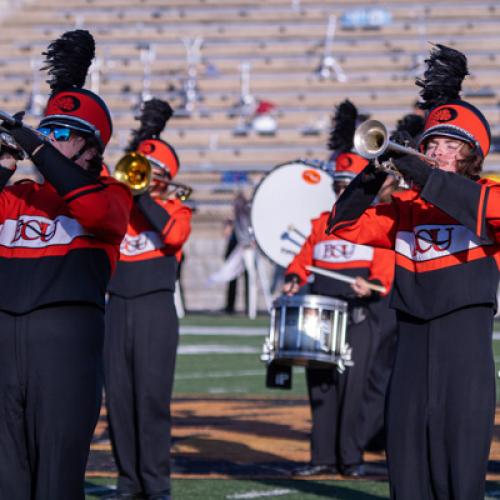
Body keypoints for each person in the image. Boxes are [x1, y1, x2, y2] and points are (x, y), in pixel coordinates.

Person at [327, 44, 499, 499]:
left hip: (464, 348)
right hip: (411, 344)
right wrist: (371, 174)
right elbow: (342, 226)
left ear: (473, 154)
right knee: (406, 463)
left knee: (459, 472)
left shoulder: (489, 196)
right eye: (432, 145)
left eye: (451, 145)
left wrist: (425, 177)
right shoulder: (405, 208)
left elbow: (477, 208)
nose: (439, 152)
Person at [0, 30, 131, 499]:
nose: (50, 141)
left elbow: (93, 212)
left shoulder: (112, 195)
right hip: (3, 339)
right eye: (47, 131)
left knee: (56, 478)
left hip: (66, 340)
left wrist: (34, 145)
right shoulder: (18, 197)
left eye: (62, 135)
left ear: (93, 148)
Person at [284, 100, 394, 477]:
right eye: (338, 186)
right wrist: (293, 278)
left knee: (354, 389)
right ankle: (321, 457)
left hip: (357, 314)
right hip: (321, 316)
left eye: (348, 186)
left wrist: (373, 284)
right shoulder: (320, 223)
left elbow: (385, 265)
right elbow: (300, 261)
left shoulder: (375, 221)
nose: (342, 191)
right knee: (321, 388)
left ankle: (351, 459)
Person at [104, 98, 192, 500]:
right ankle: (128, 481)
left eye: (151, 171)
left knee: (151, 399)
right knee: (119, 399)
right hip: (116, 304)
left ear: (165, 177)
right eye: (140, 168)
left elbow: (172, 236)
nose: (141, 176)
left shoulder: (177, 209)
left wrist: (141, 197)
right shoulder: (119, 208)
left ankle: (156, 484)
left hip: (155, 309)